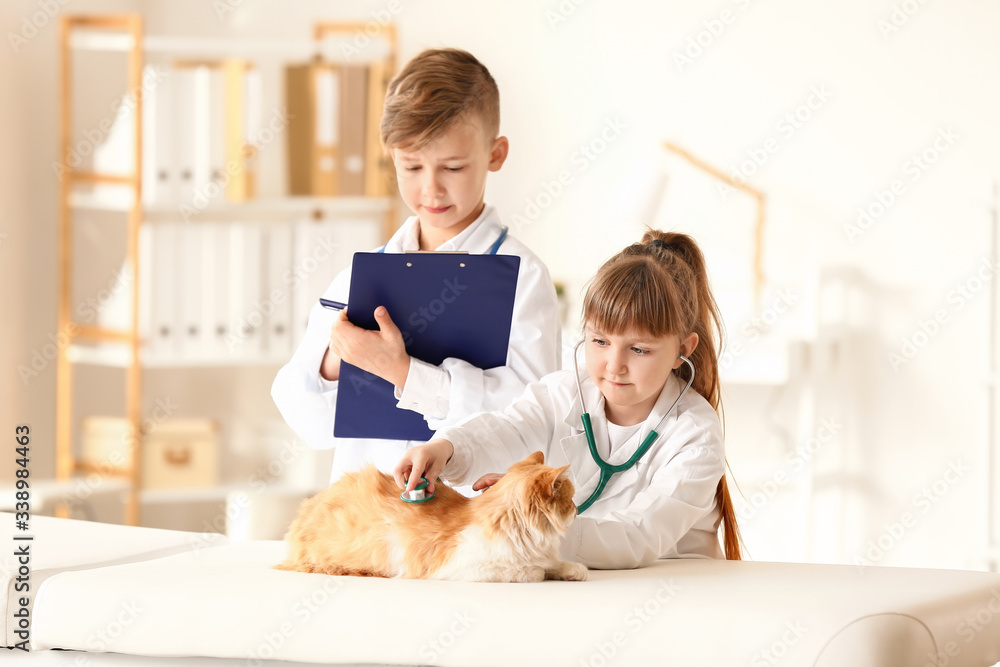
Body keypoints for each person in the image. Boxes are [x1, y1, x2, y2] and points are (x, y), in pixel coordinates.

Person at [271, 48, 561, 484]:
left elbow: (533, 420)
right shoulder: (362, 275)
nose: (431, 188)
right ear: (390, 155)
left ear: (495, 154)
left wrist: (404, 373)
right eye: (411, 166)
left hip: (462, 523)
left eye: (453, 167)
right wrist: (337, 361)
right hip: (367, 520)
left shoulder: (522, 276)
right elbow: (306, 420)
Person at [394, 230, 742, 568]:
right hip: (582, 587)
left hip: (677, 593)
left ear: (683, 349)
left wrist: (532, 521)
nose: (614, 366)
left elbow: (638, 537)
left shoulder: (695, 436)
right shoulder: (565, 393)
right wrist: (447, 449)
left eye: (639, 349)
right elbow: (509, 429)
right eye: (600, 341)